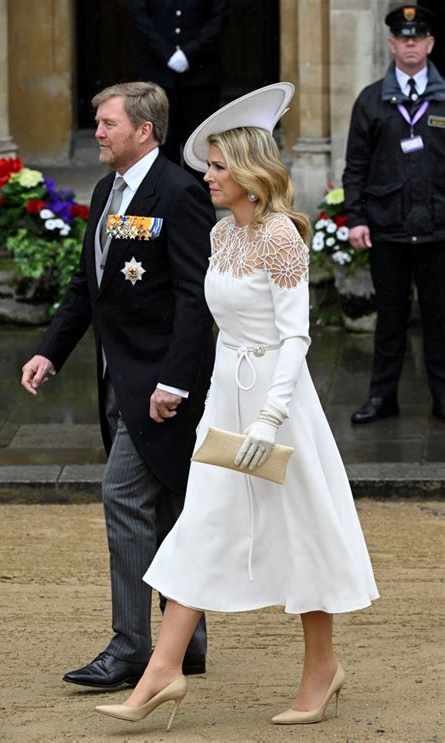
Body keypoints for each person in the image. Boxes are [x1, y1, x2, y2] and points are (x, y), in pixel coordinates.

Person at [95, 83, 379, 731]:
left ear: (250, 169)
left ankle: (322, 668)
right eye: (210, 164)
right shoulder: (224, 235)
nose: (208, 175)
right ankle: (162, 670)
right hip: (227, 403)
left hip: (277, 409)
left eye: (219, 166)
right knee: (203, 522)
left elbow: (296, 336)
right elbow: (218, 328)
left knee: (303, 533)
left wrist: (270, 417)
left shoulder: (281, 235)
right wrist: (219, 405)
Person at [21, 81, 216, 688]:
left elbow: (195, 299)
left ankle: (131, 648)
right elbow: (90, 288)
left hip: (161, 387)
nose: (98, 133)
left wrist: (176, 383)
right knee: (162, 504)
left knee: (125, 499)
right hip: (118, 379)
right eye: (98, 123)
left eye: (107, 124)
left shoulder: (180, 194)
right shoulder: (107, 190)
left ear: (144, 131)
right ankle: (191, 644)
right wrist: (50, 352)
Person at [343, 4, 445, 424]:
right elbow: (355, 167)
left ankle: (443, 399)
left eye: (417, 37)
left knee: (440, 322)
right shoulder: (371, 100)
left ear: (430, 44)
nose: (410, 44)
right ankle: (382, 398)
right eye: (403, 38)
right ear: (391, 44)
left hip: (439, 230)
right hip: (387, 230)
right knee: (390, 320)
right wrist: (356, 218)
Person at [126, 0, 230, 178]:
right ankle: (165, 199)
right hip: (157, 75)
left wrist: (189, 53)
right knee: (160, 143)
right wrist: (166, 53)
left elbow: (219, 18)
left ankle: (198, 200)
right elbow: (139, 17)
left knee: (200, 144)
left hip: (201, 75)